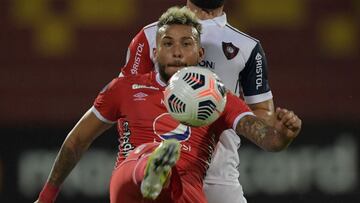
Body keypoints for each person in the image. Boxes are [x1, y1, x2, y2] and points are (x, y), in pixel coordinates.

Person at [34, 6, 301, 203]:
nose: (176, 51)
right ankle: (152, 168)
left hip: (195, 183)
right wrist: (46, 196)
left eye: (185, 44)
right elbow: (76, 140)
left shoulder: (217, 97)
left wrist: (283, 136)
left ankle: (159, 171)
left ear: (200, 53)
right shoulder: (125, 88)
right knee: (141, 159)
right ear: (154, 50)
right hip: (132, 183)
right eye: (168, 43)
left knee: (178, 181)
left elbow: (267, 138)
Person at [121, 0, 279, 202]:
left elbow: (263, 111)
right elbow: (127, 96)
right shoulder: (151, 36)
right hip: (163, 173)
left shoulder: (247, 47)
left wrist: (228, 116)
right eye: (170, 44)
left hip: (219, 176)